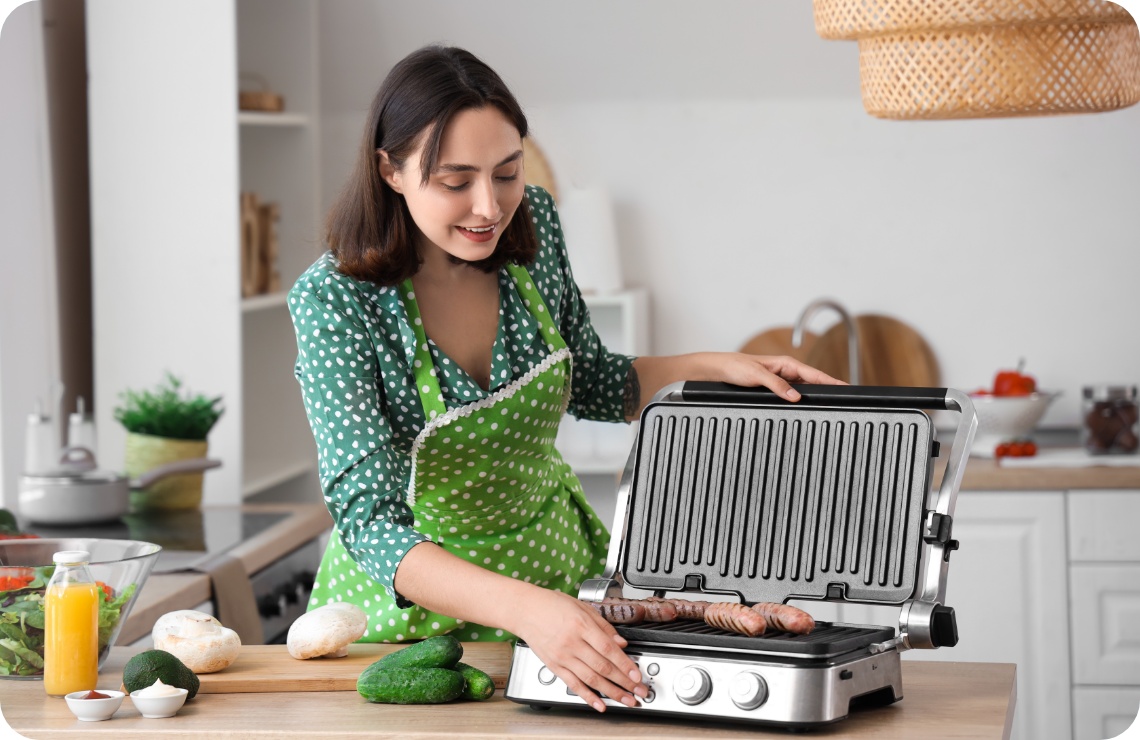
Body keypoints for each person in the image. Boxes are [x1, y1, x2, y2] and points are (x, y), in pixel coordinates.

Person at [288, 44, 841, 713]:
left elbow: (595, 383)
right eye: (456, 181)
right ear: (391, 170)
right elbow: (370, 523)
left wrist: (715, 368)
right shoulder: (336, 300)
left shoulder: (534, 226)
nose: (489, 207)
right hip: (412, 624)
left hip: (559, 580)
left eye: (507, 171)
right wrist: (531, 613)